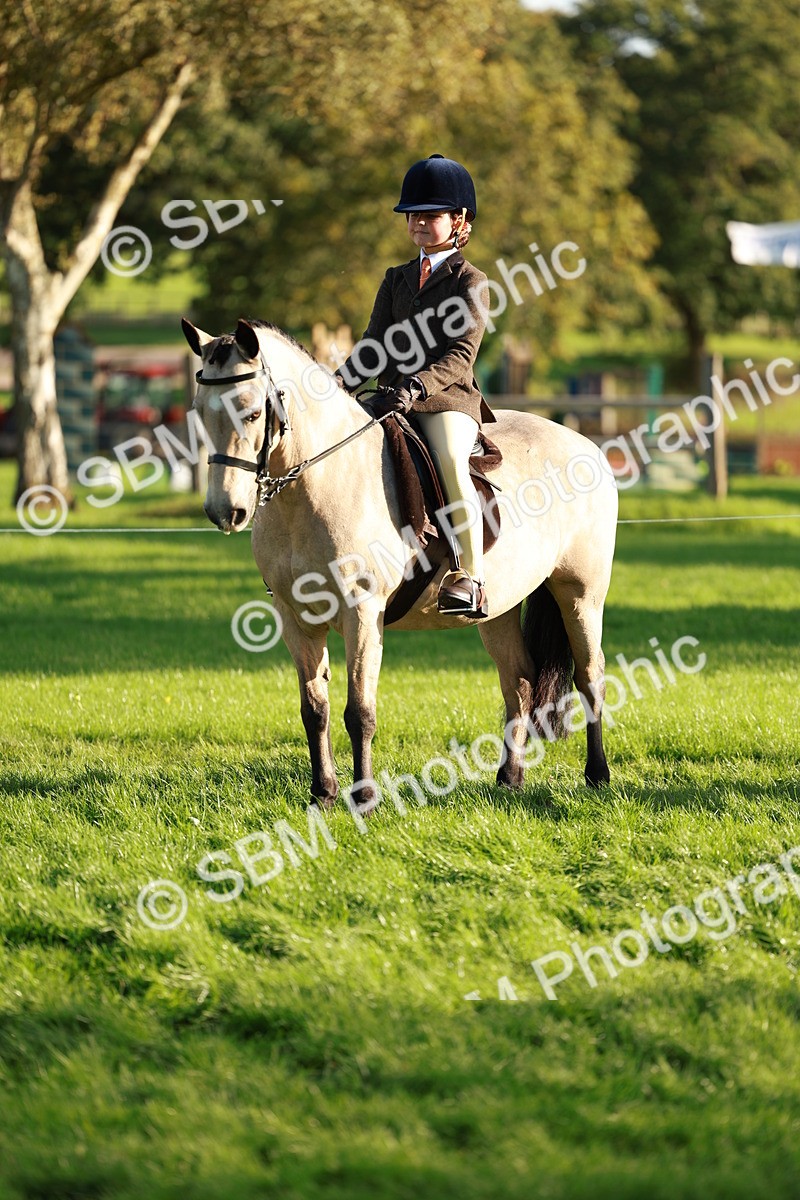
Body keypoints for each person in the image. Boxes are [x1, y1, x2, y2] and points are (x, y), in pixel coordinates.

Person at [334, 153, 496, 619]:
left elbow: (459, 356)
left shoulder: (472, 282)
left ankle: (470, 575)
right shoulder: (395, 279)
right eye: (414, 216)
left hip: (446, 400)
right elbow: (374, 344)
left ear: (459, 220)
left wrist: (415, 387)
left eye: (431, 215)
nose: (419, 223)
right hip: (391, 398)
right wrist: (340, 383)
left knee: (448, 458)